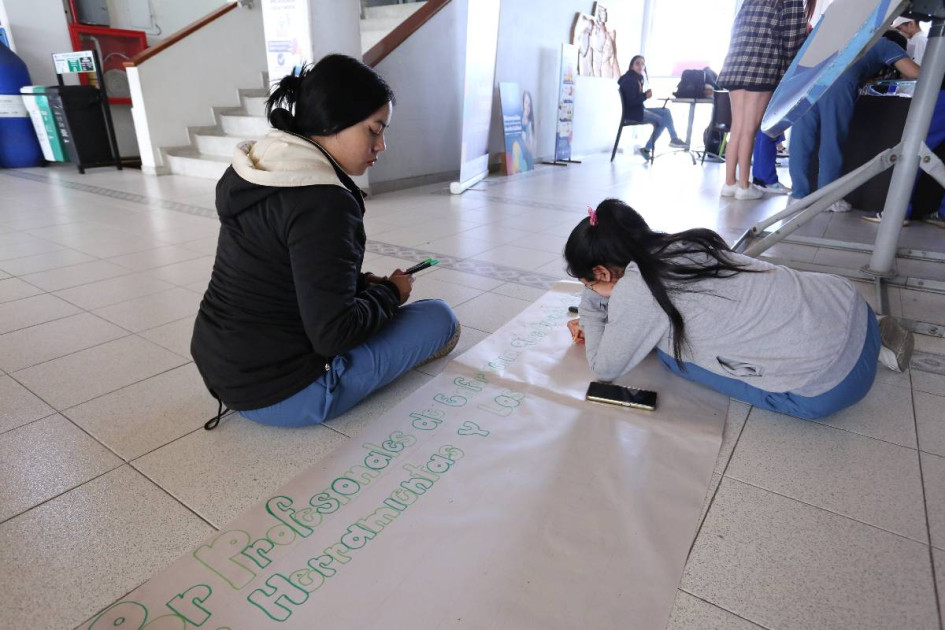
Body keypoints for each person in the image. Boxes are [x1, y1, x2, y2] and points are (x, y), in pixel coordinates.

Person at [191, 55, 459, 429]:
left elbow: (283, 268)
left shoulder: (260, 168)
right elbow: (335, 335)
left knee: (381, 309)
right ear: (335, 121)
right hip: (282, 394)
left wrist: (360, 284)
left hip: (222, 368)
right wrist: (391, 295)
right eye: (374, 129)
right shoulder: (323, 201)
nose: (382, 145)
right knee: (439, 319)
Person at [564, 199, 886, 420]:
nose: (592, 291)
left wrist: (592, 306)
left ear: (603, 273)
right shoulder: (682, 242)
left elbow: (604, 367)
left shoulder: (637, 288)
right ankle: (881, 342)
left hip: (833, 384)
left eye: (589, 283)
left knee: (671, 357)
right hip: (852, 306)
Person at [790, 33, 919, 212]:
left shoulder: (849, 35)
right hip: (839, 82)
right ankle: (827, 198)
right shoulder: (885, 44)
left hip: (806, 79)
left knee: (801, 139)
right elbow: (915, 72)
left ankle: (798, 195)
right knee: (832, 139)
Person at [718, 0, 814, 200]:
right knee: (749, 130)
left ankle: (729, 184)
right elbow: (792, 39)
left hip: (735, 64)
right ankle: (744, 186)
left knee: (737, 128)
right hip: (763, 66)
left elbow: (736, 27)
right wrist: (791, 69)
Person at [617, 55, 688, 161]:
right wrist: (645, 96)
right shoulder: (629, 80)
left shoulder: (636, 78)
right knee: (663, 120)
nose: (641, 66)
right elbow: (631, 102)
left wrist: (644, 95)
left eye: (643, 63)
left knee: (666, 112)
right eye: (637, 63)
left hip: (638, 110)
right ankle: (648, 148)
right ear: (631, 66)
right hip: (632, 113)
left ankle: (673, 138)